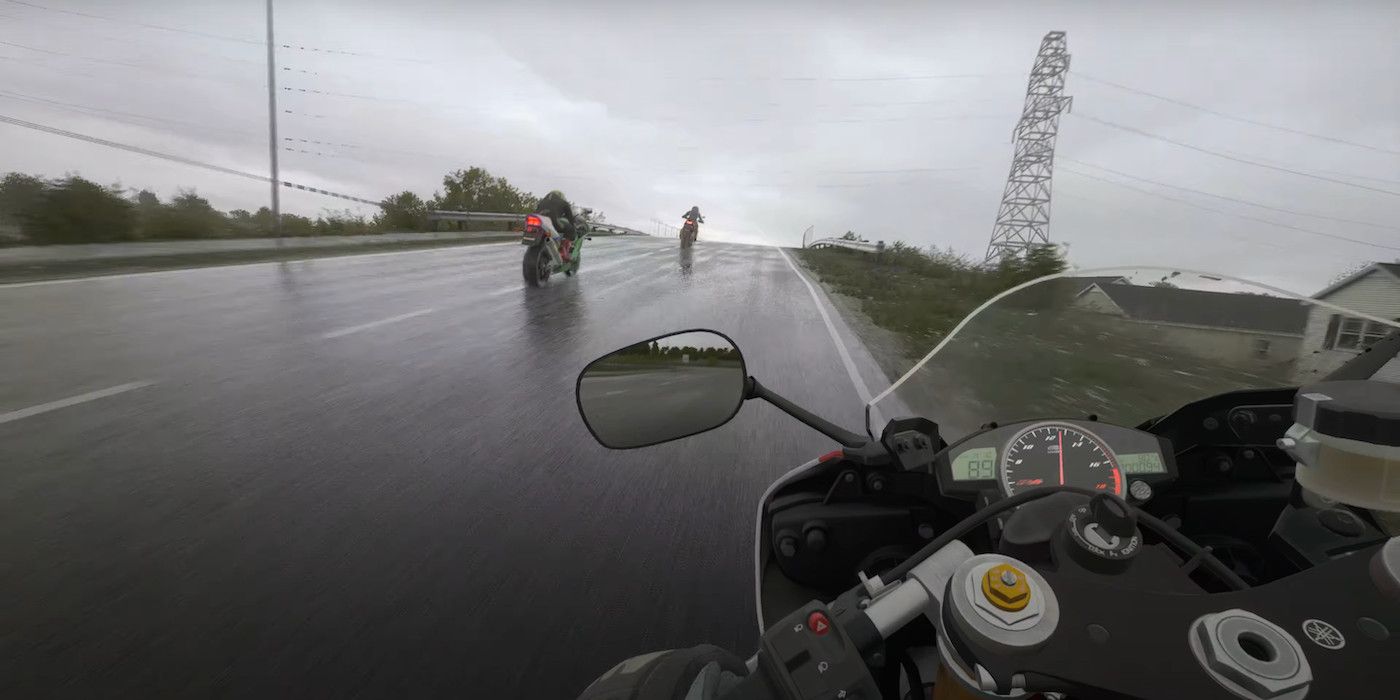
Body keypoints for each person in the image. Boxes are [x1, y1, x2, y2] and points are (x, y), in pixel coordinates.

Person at [536, 189, 578, 260]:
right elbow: (570, 218)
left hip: (538, 222)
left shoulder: (542, 202)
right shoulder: (564, 202)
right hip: (552, 222)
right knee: (571, 229)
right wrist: (573, 226)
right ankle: (563, 249)